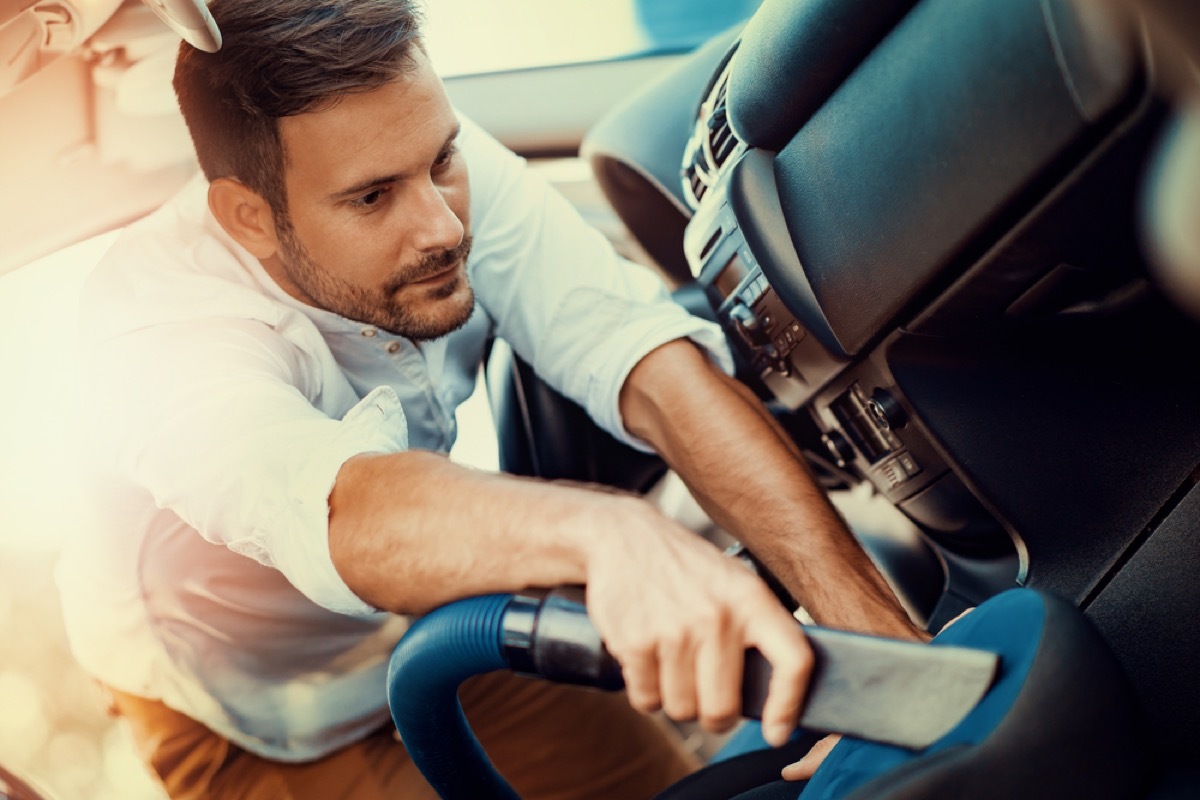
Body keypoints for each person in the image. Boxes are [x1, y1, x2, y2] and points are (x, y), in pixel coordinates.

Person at [56, 1, 920, 797]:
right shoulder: (154, 333)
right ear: (249, 218)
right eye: (371, 198)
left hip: (431, 624)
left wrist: (882, 664)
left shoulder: (424, 164)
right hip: (243, 714)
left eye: (442, 160)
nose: (442, 225)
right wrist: (608, 534)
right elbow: (338, 507)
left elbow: (650, 366)